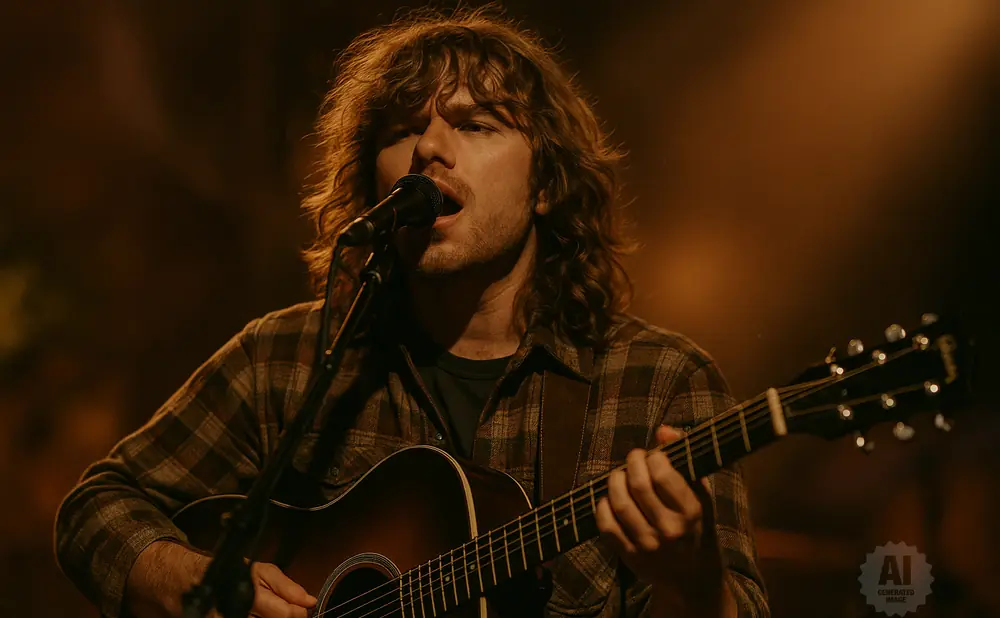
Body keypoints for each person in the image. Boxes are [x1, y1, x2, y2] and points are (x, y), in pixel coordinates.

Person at [55, 8, 770, 618]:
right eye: (400, 131)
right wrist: (194, 585)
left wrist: (694, 582)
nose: (428, 148)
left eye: (477, 125)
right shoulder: (286, 359)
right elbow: (95, 508)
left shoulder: (657, 384)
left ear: (546, 183)